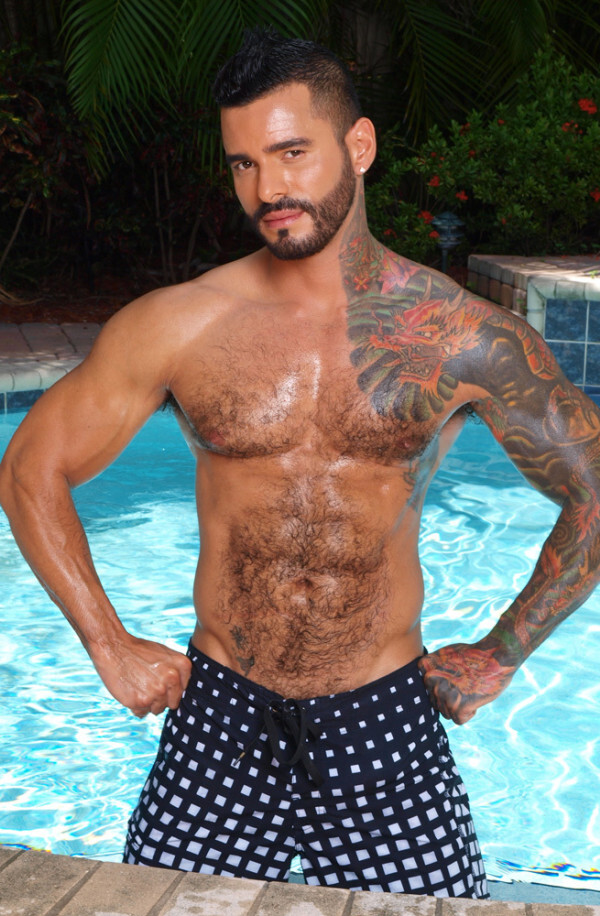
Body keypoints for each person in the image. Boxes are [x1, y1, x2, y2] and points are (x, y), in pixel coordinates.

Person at [1, 27, 599, 900]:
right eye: (243, 164)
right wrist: (108, 642)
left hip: (383, 723)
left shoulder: (464, 338)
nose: (268, 189)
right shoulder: (180, 324)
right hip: (220, 718)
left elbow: (593, 492)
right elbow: (30, 466)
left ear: (358, 145)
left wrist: (503, 650)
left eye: (291, 153)